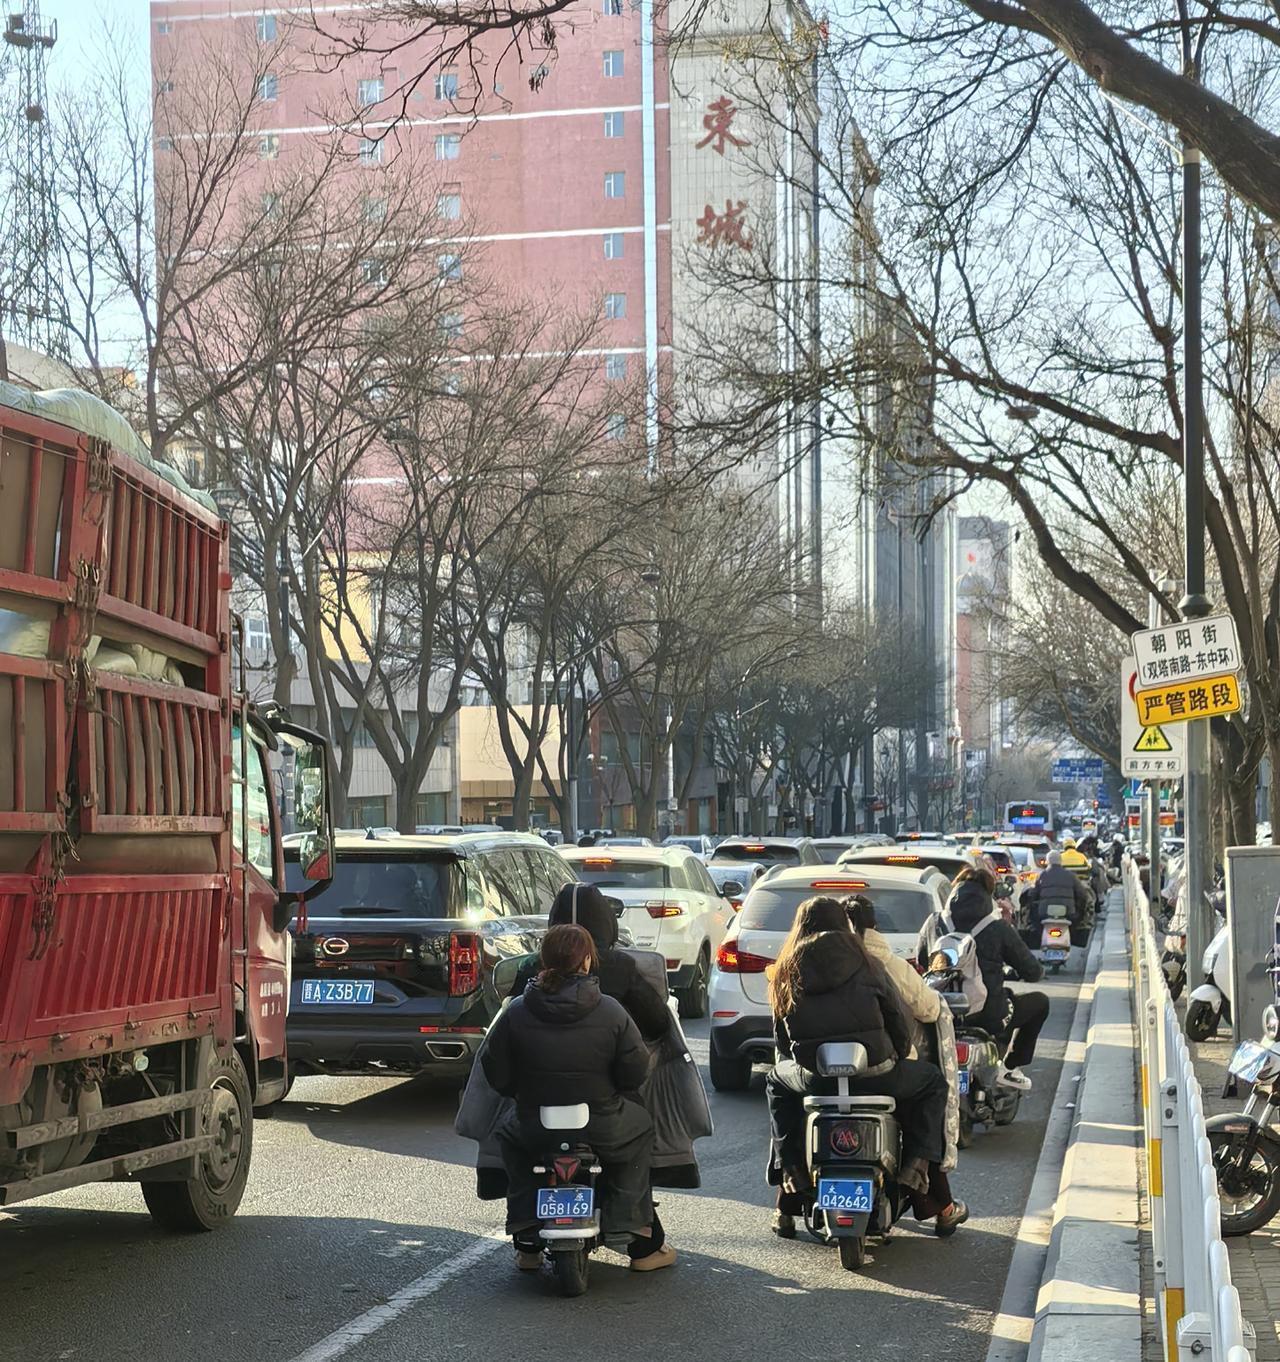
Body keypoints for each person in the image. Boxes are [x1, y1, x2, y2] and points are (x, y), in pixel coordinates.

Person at [765, 898, 965, 1240]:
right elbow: (898, 1022)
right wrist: (900, 1056)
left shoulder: (785, 970)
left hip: (817, 1082)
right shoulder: (869, 962)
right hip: (879, 1074)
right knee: (931, 1083)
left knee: (776, 1084)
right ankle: (916, 1168)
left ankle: (793, 1172)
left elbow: (783, 1042)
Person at [482, 924, 675, 1273]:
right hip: (602, 1123)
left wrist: (522, 1096)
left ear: (543, 960)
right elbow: (635, 1071)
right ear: (587, 961)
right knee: (642, 1129)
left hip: (535, 1125)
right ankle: (632, 1229)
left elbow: (496, 1071)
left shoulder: (517, 1011)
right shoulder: (612, 1011)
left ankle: (527, 1242)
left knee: (511, 1141)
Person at [845, 895, 968, 1234]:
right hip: (883, 1071)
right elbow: (928, 1010)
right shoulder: (884, 966)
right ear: (876, 927)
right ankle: (927, 1188)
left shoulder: (811, 965)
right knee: (929, 1093)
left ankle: (787, 1197)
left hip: (821, 1075)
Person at [917, 863, 1048, 1093]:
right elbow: (1032, 971)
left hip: (939, 1013)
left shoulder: (934, 922)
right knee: (1039, 1003)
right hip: (987, 1016)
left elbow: (920, 958)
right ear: (988, 894)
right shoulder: (997, 927)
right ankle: (1009, 1068)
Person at [514, 882, 671, 1041]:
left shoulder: (529, 967)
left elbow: (497, 1050)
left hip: (535, 1062)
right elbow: (657, 1024)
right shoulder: (619, 968)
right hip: (605, 1061)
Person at [1026, 850, 1092, 929]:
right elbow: (1082, 894)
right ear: (1061, 861)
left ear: (1048, 861)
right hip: (1068, 913)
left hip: (1044, 913)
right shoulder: (1071, 875)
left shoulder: (1042, 876)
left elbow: (1033, 894)